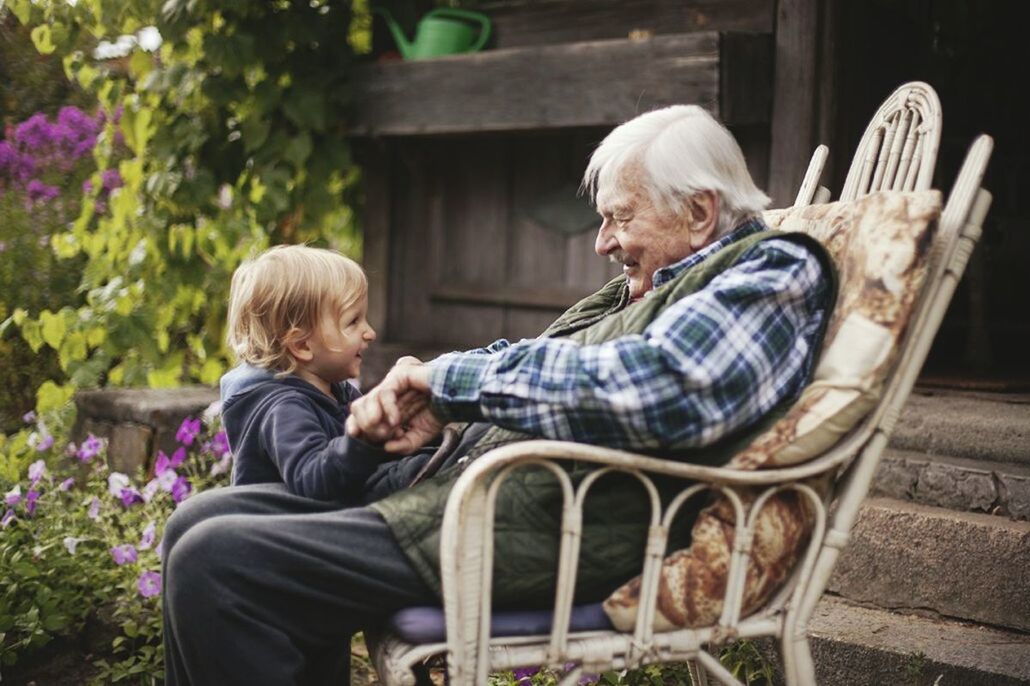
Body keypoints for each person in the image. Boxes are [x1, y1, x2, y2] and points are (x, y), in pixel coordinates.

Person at [162, 104, 836, 685]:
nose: (603, 242)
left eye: (619, 218)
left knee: (215, 566)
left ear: (698, 210)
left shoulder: (773, 272)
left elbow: (666, 388)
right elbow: (537, 358)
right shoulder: (654, 287)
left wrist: (448, 384)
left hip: (561, 521)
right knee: (191, 525)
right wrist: (434, 401)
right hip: (497, 497)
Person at [218, 244, 403, 502]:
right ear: (302, 345)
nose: (370, 333)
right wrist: (364, 442)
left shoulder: (335, 389)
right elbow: (313, 479)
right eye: (353, 321)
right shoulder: (284, 408)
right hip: (284, 534)